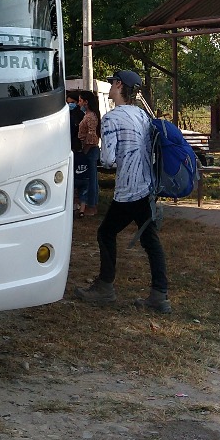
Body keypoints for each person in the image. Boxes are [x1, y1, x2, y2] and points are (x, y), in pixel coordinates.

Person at [75, 69, 171, 314]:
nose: (110, 88)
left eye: (112, 83)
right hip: (146, 187)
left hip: (127, 189)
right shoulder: (142, 116)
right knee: (151, 241)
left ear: (119, 85)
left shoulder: (112, 119)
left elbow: (107, 159)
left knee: (105, 233)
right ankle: (159, 295)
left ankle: (105, 287)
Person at [74, 89, 101, 218]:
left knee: (90, 180)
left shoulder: (90, 116)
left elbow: (92, 135)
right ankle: (89, 204)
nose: (79, 103)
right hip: (89, 149)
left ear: (86, 102)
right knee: (90, 178)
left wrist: (85, 150)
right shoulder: (89, 115)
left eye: (80, 101)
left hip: (90, 150)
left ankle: (92, 205)